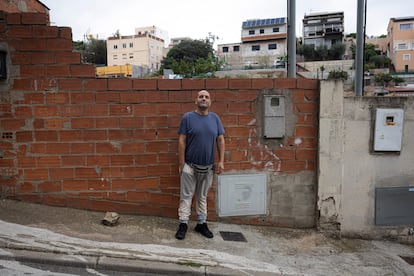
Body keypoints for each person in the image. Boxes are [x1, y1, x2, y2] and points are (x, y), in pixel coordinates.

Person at [175, 90, 225, 240]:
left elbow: (220, 140)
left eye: (207, 97)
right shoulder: (188, 118)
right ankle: (183, 224)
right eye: (201, 96)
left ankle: (201, 224)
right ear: (195, 100)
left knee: (202, 197)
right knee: (186, 196)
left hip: (208, 167)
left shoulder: (215, 118)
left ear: (210, 102)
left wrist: (221, 161)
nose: (204, 99)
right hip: (189, 165)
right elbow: (181, 140)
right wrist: (181, 163)